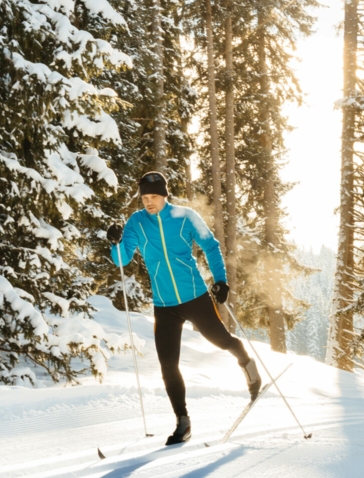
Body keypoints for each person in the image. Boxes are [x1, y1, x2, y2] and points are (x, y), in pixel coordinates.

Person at [107, 171, 261, 445]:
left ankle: (244, 359)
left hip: (194, 297)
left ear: (164, 195)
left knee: (221, 340)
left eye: (153, 196)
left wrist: (221, 281)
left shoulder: (186, 216)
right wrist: (115, 242)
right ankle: (183, 421)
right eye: (144, 197)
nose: (148, 202)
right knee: (168, 365)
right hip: (164, 305)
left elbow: (211, 247)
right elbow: (122, 259)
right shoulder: (136, 222)